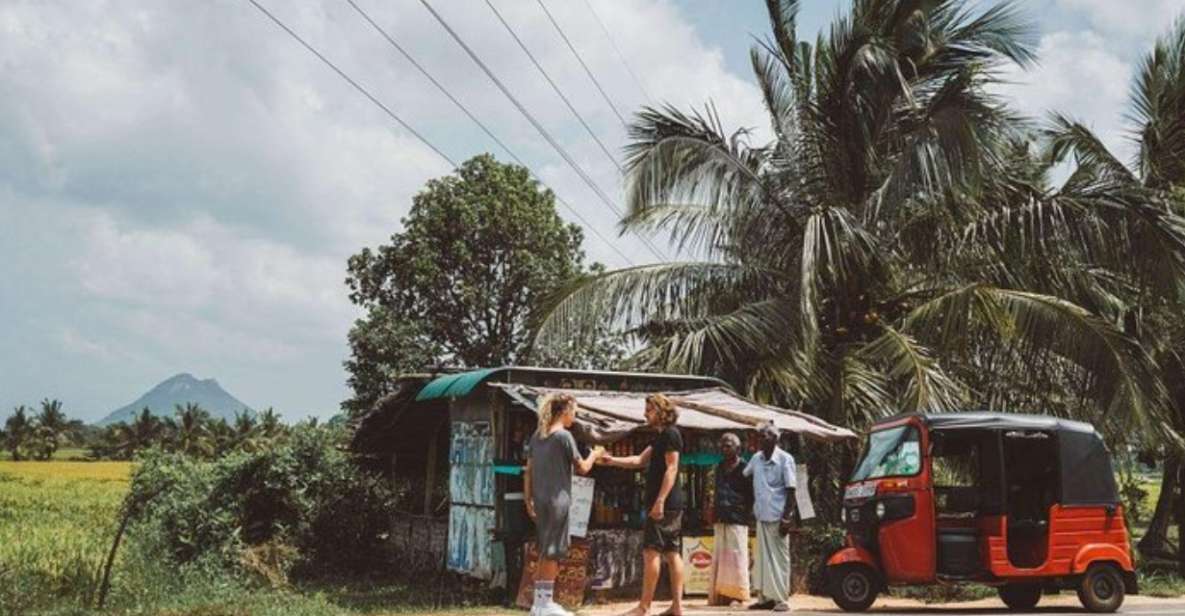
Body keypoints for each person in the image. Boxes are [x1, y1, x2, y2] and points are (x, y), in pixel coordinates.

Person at [598, 393, 684, 616]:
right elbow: (638, 461)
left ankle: (644, 607)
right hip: (667, 502)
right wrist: (612, 460)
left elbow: (672, 468)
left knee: (651, 551)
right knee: (672, 552)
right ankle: (676, 607)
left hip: (664, 502)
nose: (645, 413)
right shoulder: (660, 437)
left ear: (662, 412)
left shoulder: (671, 435)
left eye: (649, 409)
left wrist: (660, 501)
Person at [524, 394, 605, 616]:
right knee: (553, 551)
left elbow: (528, 470)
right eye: (574, 411)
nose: (575, 416)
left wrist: (527, 499)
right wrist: (595, 454)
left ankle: (539, 603)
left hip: (540, 500)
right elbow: (582, 468)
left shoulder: (537, 436)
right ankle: (546, 603)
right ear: (565, 410)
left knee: (543, 550)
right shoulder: (563, 436)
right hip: (558, 500)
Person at [744, 422, 797, 612]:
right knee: (763, 560)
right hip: (761, 515)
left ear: (775, 438)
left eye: (763, 436)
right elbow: (744, 476)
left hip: (778, 516)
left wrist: (787, 518)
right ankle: (765, 598)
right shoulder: (756, 459)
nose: (759, 439)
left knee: (780, 559)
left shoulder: (785, 459)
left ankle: (781, 599)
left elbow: (791, 490)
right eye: (757, 436)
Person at [708, 432, 753, 606]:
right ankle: (721, 595)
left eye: (728, 445)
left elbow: (751, 495)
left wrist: (745, 512)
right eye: (722, 445)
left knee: (737, 558)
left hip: (738, 518)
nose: (724, 448)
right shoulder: (719, 467)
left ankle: (738, 596)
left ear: (737, 448)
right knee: (721, 557)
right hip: (721, 517)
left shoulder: (745, 467)